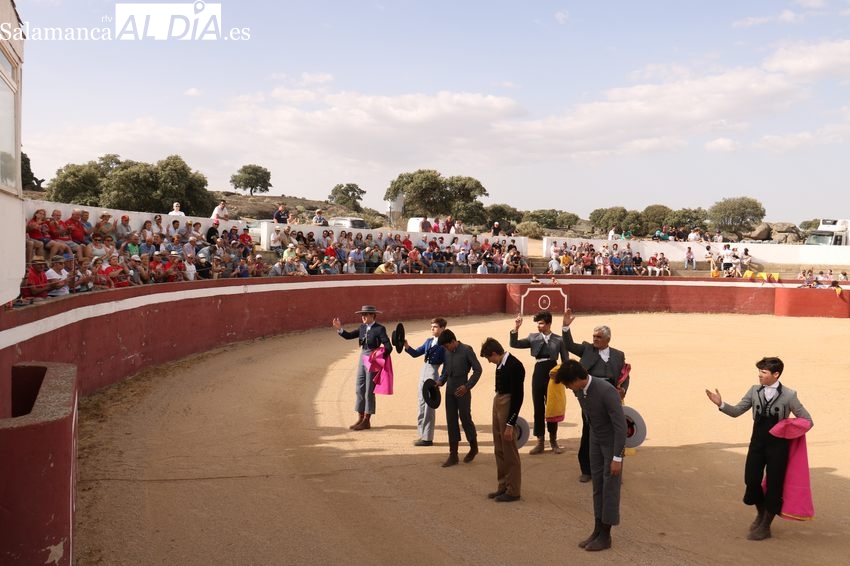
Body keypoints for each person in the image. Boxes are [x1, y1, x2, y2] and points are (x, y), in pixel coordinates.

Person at [705, 357, 813, 541]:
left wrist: (786, 427)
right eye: (760, 372)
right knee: (751, 480)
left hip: (778, 446)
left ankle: (765, 526)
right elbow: (737, 411)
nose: (760, 375)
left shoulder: (789, 395)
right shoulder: (754, 391)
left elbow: (807, 420)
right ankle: (761, 513)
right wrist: (721, 404)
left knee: (774, 485)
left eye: (764, 372)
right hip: (757, 442)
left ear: (775, 374)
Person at [554, 360, 626, 552]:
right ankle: (597, 529)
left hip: (611, 444)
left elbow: (621, 427)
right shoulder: (579, 389)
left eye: (569, 384)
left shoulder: (606, 391)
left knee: (610, 488)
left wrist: (617, 457)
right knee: (597, 486)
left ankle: (606, 536)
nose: (569, 389)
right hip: (595, 440)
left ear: (578, 379)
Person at [562, 308, 628, 482]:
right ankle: (587, 469)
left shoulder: (618, 355)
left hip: (610, 397)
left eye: (598, 337)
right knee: (589, 431)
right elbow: (569, 346)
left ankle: (614, 466)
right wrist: (566, 328)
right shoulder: (587, 349)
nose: (595, 340)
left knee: (614, 430)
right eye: (594, 337)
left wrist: (623, 390)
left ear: (608, 339)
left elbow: (624, 375)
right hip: (588, 394)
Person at [510, 310, 569, 455]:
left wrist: (561, 376)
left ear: (549, 323)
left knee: (552, 407)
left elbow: (565, 361)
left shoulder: (559, 339)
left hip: (554, 374)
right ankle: (540, 442)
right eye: (538, 323)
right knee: (538, 407)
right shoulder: (533, 337)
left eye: (541, 323)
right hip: (538, 372)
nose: (538, 326)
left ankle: (553, 441)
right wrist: (516, 328)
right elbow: (515, 344)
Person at [332, 305, 392, 431]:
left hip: (373, 359)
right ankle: (360, 417)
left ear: (372, 315)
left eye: (366, 315)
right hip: (362, 357)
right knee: (359, 388)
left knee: (369, 390)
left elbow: (388, 346)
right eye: (362, 315)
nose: (363, 317)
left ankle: (367, 420)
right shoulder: (362, 327)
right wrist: (340, 329)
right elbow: (349, 336)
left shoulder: (380, 329)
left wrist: (379, 356)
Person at [480, 337, 525, 502]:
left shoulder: (515, 365)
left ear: (494, 353)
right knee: (499, 447)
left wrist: (510, 424)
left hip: (507, 404)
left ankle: (513, 490)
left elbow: (518, 397)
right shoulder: (502, 363)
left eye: (488, 358)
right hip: (498, 401)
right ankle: (503, 486)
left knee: (509, 450)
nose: (489, 362)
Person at [436, 329, 482, 467]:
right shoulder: (447, 351)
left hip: (462, 390)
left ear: (452, 341)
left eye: (446, 345)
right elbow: (446, 370)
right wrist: (440, 381)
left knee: (465, 418)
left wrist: (467, 386)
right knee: (451, 420)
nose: (445, 348)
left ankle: (473, 447)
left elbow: (478, 369)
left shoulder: (467, 350)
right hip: (450, 390)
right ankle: (453, 454)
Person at [403, 318, 448, 447]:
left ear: (442, 328)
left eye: (435, 327)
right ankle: (422, 435)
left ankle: (428, 438)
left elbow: (446, 365)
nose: (432, 329)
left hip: (433, 373)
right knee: (421, 403)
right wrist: (406, 346)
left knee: (429, 406)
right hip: (424, 371)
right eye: (432, 326)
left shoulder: (444, 344)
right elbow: (416, 353)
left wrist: (440, 380)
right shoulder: (429, 341)